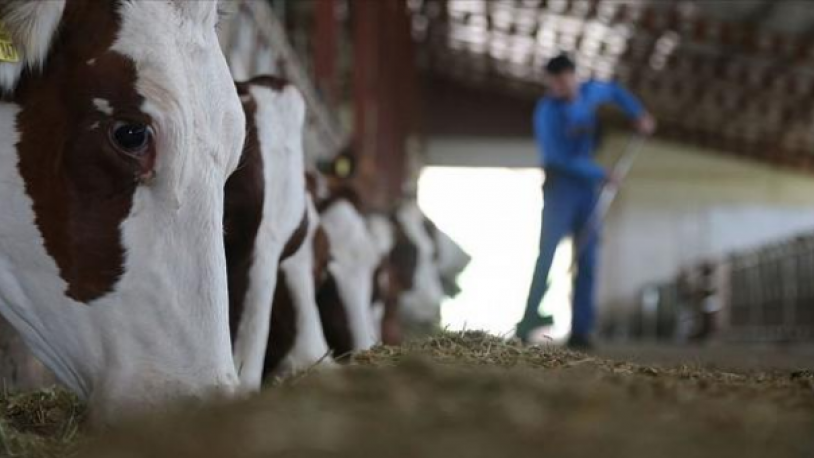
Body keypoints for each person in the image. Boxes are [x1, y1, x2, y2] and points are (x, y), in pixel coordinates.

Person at [516, 54, 656, 349]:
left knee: (588, 258)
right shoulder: (546, 111)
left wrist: (637, 114)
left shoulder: (591, 92)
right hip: (560, 187)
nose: (559, 88)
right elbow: (555, 157)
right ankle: (528, 320)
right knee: (548, 255)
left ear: (573, 76)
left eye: (563, 82)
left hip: (587, 190)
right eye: (553, 84)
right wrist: (600, 172)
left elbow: (616, 92)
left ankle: (581, 330)